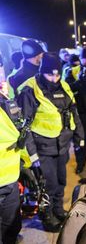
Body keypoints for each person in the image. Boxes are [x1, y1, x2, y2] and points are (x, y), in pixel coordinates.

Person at [17, 52, 84, 232]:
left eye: (57, 74)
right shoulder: (30, 90)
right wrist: (31, 153)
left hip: (61, 145)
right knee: (48, 183)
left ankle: (57, 209)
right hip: (41, 148)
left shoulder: (64, 87)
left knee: (61, 180)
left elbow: (74, 113)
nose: (54, 78)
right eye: (49, 74)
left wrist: (80, 136)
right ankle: (47, 216)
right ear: (41, 71)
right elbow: (24, 126)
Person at [0, 91, 37, 244]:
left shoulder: (5, 101)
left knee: (12, 226)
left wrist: (25, 166)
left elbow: (20, 136)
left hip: (11, 180)